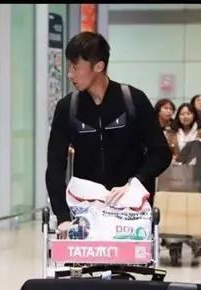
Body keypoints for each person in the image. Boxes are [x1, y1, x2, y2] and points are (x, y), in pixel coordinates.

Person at [45, 31, 172, 237]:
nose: (70, 74)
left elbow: (161, 153)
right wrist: (63, 216)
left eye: (75, 67)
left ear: (98, 66)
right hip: (85, 214)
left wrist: (135, 182)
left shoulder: (133, 101)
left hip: (130, 216)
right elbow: (55, 166)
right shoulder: (67, 108)